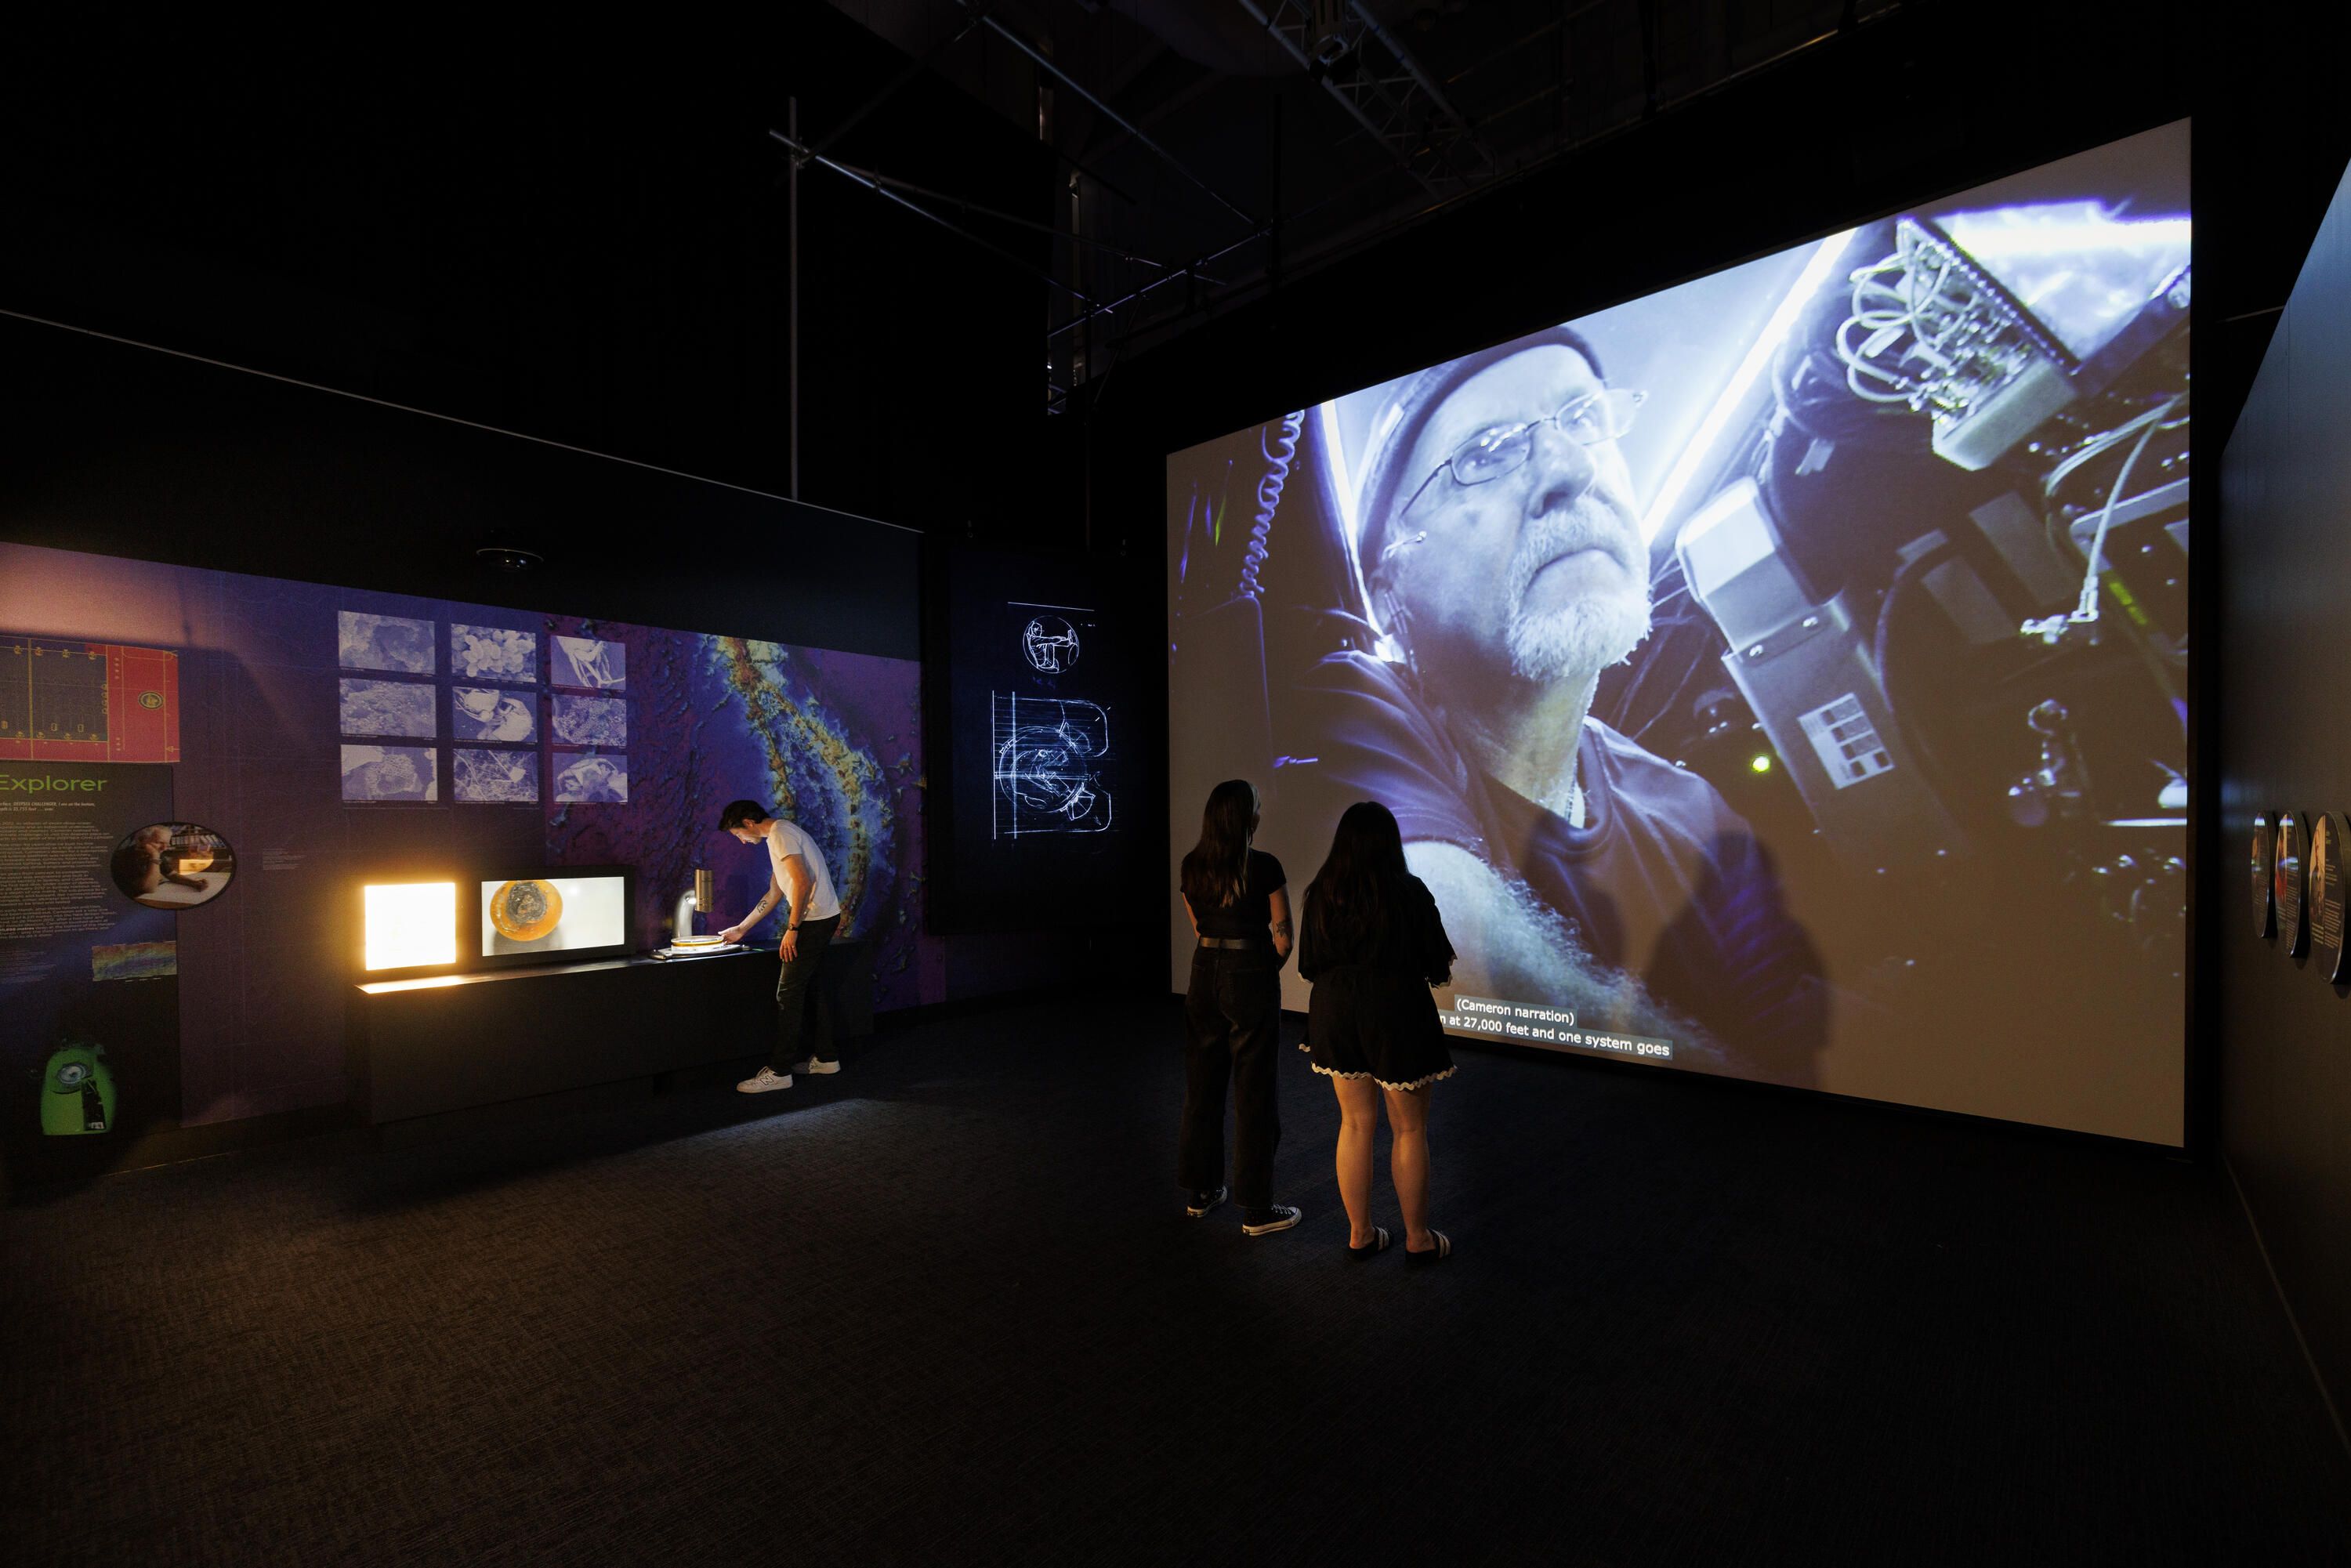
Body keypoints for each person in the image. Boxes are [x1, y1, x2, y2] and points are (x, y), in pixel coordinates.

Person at [1291, 324, 1823, 1082]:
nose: (1571, 468)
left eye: (1584, 420)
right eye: (1485, 454)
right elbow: (1431, 960)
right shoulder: (1358, 706)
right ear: (1387, 588)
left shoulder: (1698, 814)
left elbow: (1795, 1059)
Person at [1299, 801, 1458, 1263]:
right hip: (1396, 1010)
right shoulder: (1409, 892)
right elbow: (1437, 964)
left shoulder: (1323, 891)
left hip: (1335, 1008)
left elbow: (1310, 964)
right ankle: (1418, 1240)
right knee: (1409, 1128)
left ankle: (1360, 1234)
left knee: (1353, 1124)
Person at [1176, 779, 1300, 1236]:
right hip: (1250, 969)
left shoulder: (1192, 866)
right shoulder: (1265, 866)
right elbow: (1284, 937)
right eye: (1257, 808)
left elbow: (1197, 928)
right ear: (1246, 818)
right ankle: (1257, 1208)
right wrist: (1264, 969)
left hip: (1203, 968)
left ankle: (1201, 1192)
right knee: (1255, 1089)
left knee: (1202, 1085)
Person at [716, 799, 845, 1094]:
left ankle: (780, 1071)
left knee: (787, 992)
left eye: (738, 835)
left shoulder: (780, 835)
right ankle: (826, 1058)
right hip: (819, 918)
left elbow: (801, 882)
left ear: (749, 823)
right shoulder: (782, 833)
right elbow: (776, 890)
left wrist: (793, 929)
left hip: (812, 922)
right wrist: (741, 928)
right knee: (810, 987)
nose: (742, 841)